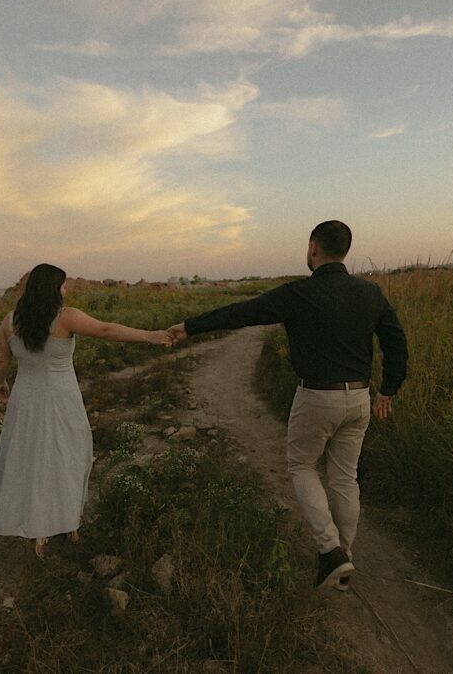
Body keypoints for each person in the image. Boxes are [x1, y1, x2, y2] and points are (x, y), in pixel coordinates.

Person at [167, 221, 407, 589]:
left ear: (314, 248)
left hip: (317, 396)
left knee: (302, 465)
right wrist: (387, 390)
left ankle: (330, 551)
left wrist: (191, 326)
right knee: (344, 477)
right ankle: (344, 560)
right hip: (359, 397)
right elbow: (395, 342)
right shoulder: (370, 293)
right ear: (345, 250)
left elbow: (244, 313)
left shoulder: (299, 294)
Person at [0, 263, 173, 557]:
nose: (66, 288)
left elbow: (1, 359)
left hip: (25, 399)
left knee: (29, 457)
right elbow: (107, 331)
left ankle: (39, 528)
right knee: (68, 454)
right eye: (62, 284)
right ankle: (66, 520)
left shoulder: (10, 321)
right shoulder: (65, 317)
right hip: (61, 399)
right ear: (52, 288)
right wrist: (150, 336)